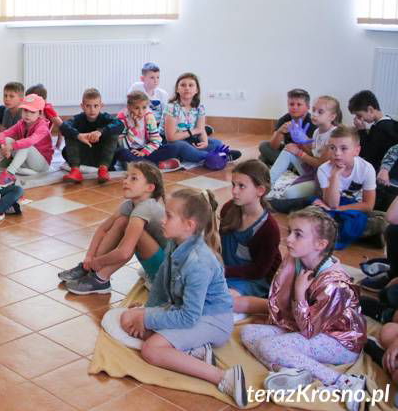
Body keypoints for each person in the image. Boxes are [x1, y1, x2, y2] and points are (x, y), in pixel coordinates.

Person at [119, 188, 248, 408]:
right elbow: (161, 280)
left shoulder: (199, 262)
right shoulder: (175, 243)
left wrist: (148, 318)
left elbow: (189, 317)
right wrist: (148, 311)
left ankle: (223, 377)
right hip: (189, 313)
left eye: (168, 215)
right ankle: (195, 351)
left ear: (189, 225)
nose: (162, 219)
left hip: (213, 321)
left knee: (151, 349)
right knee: (128, 319)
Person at [239, 207, 367, 410]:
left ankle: (344, 382)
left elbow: (309, 330)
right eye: (289, 231)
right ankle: (293, 373)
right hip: (306, 326)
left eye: (298, 234)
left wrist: (300, 293)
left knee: (270, 346)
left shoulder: (334, 283)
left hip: (340, 341)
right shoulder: (296, 259)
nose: (288, 239)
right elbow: (281, 300)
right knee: (248, 332)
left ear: (320, 244)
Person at [58, 161, 166, 295]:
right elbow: (103, 229)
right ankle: (90, 269)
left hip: (168, 274)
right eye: (126, 176)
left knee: (132, 234)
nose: (126, 181)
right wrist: (90, 257)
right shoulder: (129, 205)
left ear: (149, 187)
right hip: (158, 264)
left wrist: (99, 261)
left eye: (134, 178)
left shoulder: (146, 208)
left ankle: (101, 279)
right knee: (122, 221)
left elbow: (125, 252)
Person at [219, 160, 281, 310]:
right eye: (233, 185)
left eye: (241, 186)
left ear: (260, 190)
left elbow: (259, 271)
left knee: (221, 299)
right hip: (227, 271)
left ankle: (271, 307)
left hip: (254, 279)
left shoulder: (268, 228)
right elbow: (220, 245)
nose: (234, 191)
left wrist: (221, 270)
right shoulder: (228, 209)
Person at [267, 95, 341, 204]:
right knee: (288, 149)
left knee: (289, 194)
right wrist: (302, 142)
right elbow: (312, 153)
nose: (314, 114)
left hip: (322, 179)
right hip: (312, 171)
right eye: (314, 110)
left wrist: (299, 152)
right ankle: (267, 185)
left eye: (320, 112)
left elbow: (320, 164)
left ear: (332, 116)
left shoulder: (334, 135)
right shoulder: (317, 131)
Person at [312, 125, 376, 250]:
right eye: (332, 148)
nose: (337, 153)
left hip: (353, 208)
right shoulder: (324, 169)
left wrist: (340, 209)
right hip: (330, 206)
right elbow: (331, 204)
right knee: (312, 211)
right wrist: (335, 175)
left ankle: (335, 232)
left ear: (356, 151)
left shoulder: (367, 168)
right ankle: (358, 236)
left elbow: (368, 205)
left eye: (344, 148)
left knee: (380, 222)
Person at [163, 72, 240, 163]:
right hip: (172, 141)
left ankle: (202, 155)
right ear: (177, 89)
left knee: (216, 143)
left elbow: (201, 128)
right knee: (182, 147)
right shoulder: (172, 107)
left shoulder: (200, 106)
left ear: (196, 90)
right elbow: (171, 137)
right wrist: (194, 131)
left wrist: (205, 141)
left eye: (191, 85)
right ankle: (214, 157)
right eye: (183, 85)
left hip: (190, 138)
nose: (187, 88)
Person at [60, 88, 124, 184]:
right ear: (82, 106)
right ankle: (76, 171)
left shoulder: (105, 117)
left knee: (113, 134)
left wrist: (101, 132)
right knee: (70, 135)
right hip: (85, 154)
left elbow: (120, 124)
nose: (92, 109)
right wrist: (78, 136)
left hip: (103, 156)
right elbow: (63, 126)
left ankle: (103, 170)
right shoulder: (79, 118)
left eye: (95, 106)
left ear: (101, 106)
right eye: (88, 106)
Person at [348, 90, 398, 211]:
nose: (360, 119)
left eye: (360, 115)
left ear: (370, 110)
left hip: (385, 177)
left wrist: (361, 130)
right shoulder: (390, 124)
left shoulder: (381, 129)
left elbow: (368, 154)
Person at [115, 90, 181, 170]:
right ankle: (155, 166)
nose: (141, 112)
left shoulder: (149, 117)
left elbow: (156, 140)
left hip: (146, 150)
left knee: (174, 147)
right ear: (129, 107)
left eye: (144, 107)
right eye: (136, 108)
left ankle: (143, 166)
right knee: (121, 152)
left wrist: (144, 151)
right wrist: (134, 128)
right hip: (131, 151)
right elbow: (122, 144)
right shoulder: (122, 118)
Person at [0, 94, 53, 185]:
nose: (28, 114)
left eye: (32, 112)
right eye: (25, 110)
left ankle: (9, 173)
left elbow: (30, 141)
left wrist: (11, 146)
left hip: (41, 164)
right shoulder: (21, 123)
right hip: (26, 161)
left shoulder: (43, 127)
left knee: (26, 145)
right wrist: (2, 146)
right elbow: (2, 134)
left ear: (40, 113)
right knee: (7, 139)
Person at [258, 89, 314, 166]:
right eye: (291, 104)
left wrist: (302, 141)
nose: (294, 107)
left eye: (299, 104)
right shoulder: (284, 119)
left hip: (303, 158)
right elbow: (273, 147)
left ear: (308, 107)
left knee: (263, 157)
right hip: (287, 152)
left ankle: (287, 166)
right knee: (264, 145)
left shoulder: (312, 123)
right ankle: (282, 166)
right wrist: (279, 132)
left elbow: (313, 153)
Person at [128, 62, 169, 134]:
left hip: (157, 124)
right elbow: (129, 106)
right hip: (140, 121)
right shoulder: (136, 88)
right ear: (142, 78)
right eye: (152, 77)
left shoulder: (163, 94)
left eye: (158, 77)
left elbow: (165, 114)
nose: (156, 80)